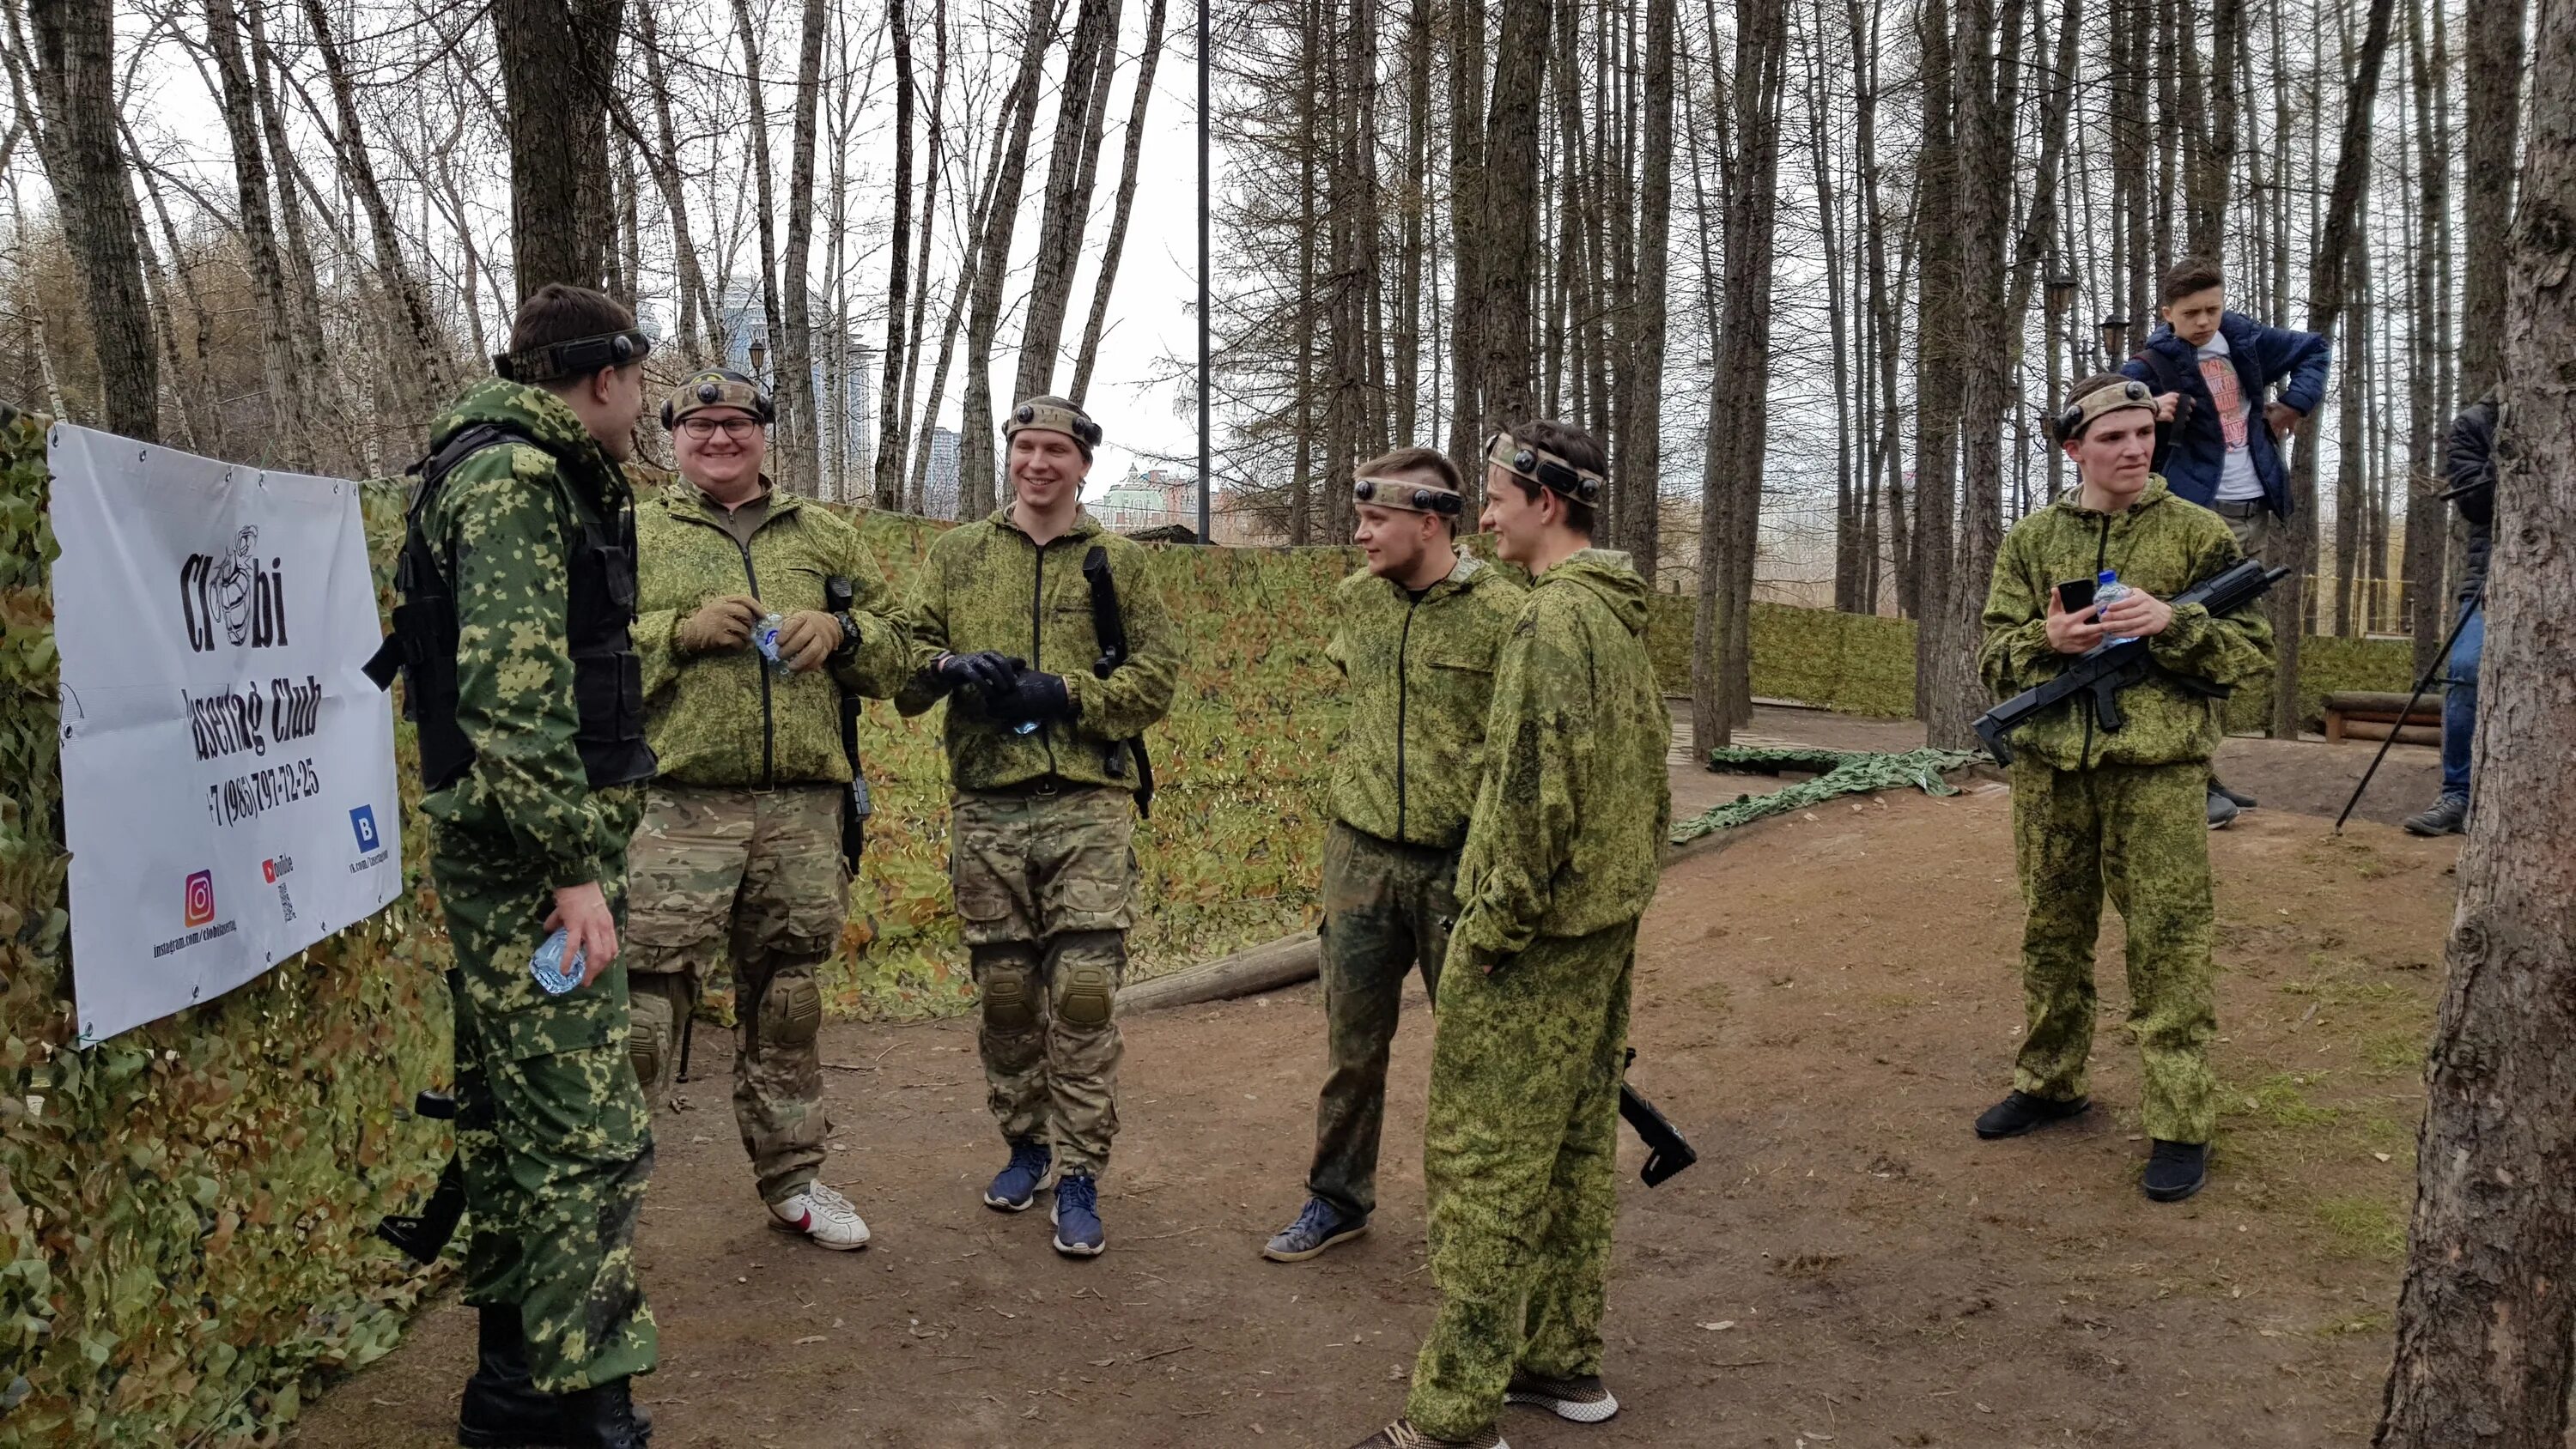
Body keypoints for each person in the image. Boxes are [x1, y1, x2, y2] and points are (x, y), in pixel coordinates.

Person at [1352, 421, 1670, 1449]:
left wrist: (1492, 928)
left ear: (1546, 500)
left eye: (1493, 496)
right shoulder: (1613, 614)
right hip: (1600, 929)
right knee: (1574, 1150)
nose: (1482, 516)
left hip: (1533, 942)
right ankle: (1562, 1363)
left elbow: (1538, 801)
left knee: (1485, 1166)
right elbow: (1645, 786)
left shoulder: (1548, 625)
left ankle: (1452, 1416)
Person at [385, 283, 659, 1448]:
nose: (642, 404)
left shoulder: (512, 469)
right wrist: (572, 872)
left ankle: (513, 1397)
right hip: (532, 868)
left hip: (527, 859)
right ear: (603, 380)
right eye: (639, 384)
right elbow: (511, 702)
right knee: (584, 1135)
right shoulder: (513, 479)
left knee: (511, 1121)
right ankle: (576, 1406)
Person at [622, 368, 911, 1250]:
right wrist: (675, 630)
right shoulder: (633, 532)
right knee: (641, 1008)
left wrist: (844, 634)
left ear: (762, 434)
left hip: (801, 808)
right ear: (672, 437)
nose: (719, 439)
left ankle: (794, 1177)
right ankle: (602, 1194)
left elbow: (902, 651)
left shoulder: (823, 534)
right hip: (678, 804)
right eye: (700, 425)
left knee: (786, 998)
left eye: (736, 423)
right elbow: (580, 655)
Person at [1971, 374, 2275, 1206]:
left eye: (2144, 434)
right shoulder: (2033, 540)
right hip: (2051, 777)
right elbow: (1993, 654)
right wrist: (2049, 637)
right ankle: (2051, 1081)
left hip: (2159, 776)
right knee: (2052, 935)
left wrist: (2175, 624)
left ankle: (2180, 1120)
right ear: (2075, 447)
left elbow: (2253, 663)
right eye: (2113, 437)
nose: (2135, 449)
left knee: (2169, 944)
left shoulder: (2198, 533)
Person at [894, 395, 1179, 1258]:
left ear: (1084, 463)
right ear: (1009, 457)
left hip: (1087, 797)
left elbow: (1158, 678)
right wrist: (949, 665)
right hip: (988, 800)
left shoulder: (1119, 561)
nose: (1038, 464)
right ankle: (1027, 1142)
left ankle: (1083, 1172)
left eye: (1056, 449)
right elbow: (896, 657)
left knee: (1083, 996)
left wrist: (1066, 694)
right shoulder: (958, 555)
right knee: (1008, 993)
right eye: (1025, 448)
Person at [1261, 450, 1523, 1264]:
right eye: (1360, 516)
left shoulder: (1507, 612)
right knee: (1352, 1048)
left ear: (1431, 521)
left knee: (1480, 1055)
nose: (1361, 533)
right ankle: (1337, 1199)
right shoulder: (1358, 604)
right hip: (1361, 858)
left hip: (1458, 868)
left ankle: (1480, 1223)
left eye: (1377, 520)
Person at [2120, 258, 2328, 828]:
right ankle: (2190, 777)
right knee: (2179, 640)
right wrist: (2147, 409)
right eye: (2191, 313)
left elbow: (2315, 347)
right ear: (2167, 313)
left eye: (2213, 307)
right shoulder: (2153, 362)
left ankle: (2205, 770)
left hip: (2253, 511)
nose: (2205, 320)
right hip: (2191, 516)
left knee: (2224, 646)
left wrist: (2293, 405)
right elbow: (2104, 409)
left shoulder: (2244, 339)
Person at [2403, 391, 2495, 838]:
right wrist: (2516, 450)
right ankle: (2457, 794)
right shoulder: (2477, 423)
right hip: (2492, 576)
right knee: (2463, 669)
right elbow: (2476, 504)